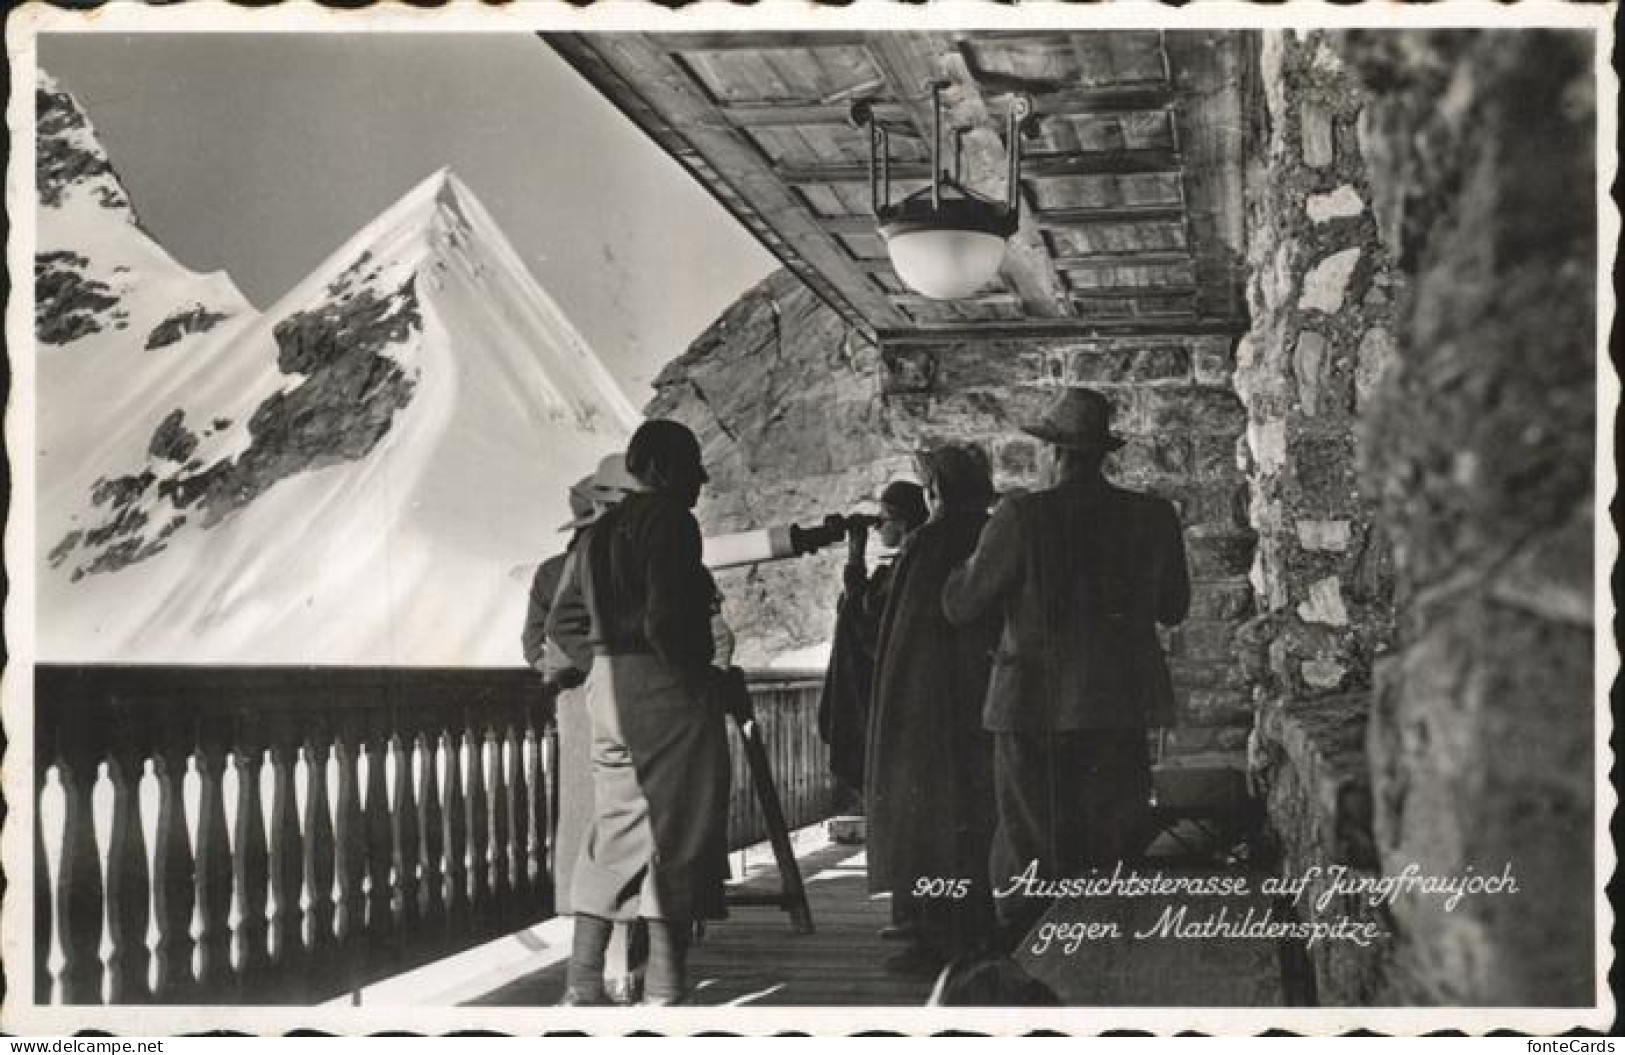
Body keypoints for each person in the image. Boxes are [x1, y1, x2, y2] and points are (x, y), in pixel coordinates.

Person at [942, 387, 1191, 951]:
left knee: (1031, 847)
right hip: (1118, 706)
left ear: (1053, 454)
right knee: (1109, 847)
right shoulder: (1151, 516)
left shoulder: (1021, 514)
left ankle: (1031, 967)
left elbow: (962, 605)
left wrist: (961, 566)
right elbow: (1173, 608)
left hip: (1031, 705)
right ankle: (1101, 964)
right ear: (1103, 453)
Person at [547, 419, 728, 1006]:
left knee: (615, 827)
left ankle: (581, 982)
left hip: (609, 690)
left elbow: (561, 624)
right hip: (663, 689)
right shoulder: (673, 521)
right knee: (678, 832)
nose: (700, 478)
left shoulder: (596, 535)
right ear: (659, 469)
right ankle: (666, 988)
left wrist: (603, 664)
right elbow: (666, 620)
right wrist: (695, 675)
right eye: (691, 464)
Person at [865, 444, 1001, 977]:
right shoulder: (987, 533)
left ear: (936, 490)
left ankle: (940, 935)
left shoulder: (928, 543)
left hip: (927, 706)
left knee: (931, 821)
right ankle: (976, 930)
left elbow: (904, 635)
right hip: (977, 699)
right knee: (974, 817)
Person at [816, 480, 929, 816]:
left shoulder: (904, 568)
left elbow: (865, 623)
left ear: (901, 520)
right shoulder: (910, 563)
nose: (880, 528)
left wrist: (855, 557)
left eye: (884, 519)